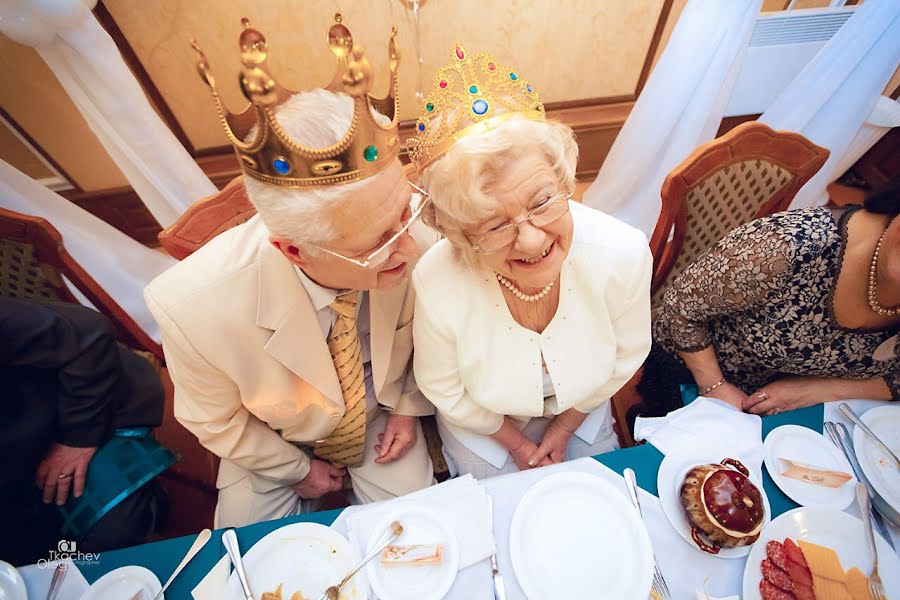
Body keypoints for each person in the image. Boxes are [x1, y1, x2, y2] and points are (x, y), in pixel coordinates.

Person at [145, 17, 434, 527]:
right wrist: (295, 469)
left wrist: (409, 406)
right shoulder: (190, 309)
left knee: (420, 540)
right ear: (294, 251)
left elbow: (429, 336)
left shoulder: (409, 228)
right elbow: (216, 421)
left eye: (404, 212)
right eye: (381, 241)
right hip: (273, 443)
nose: (409, 249)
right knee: (254, 567)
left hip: (381, 419)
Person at [406, 45, 653, 478]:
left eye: (542, 202)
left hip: (582, 411)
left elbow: (627, 355)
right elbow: (446, 390)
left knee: (600, 497)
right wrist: (518, 444)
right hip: (483, 429)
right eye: (494, 225)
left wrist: (564, 427)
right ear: (462, 234)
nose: (531, 239)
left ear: (564, 181)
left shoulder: (624, 253)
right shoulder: (436, 279)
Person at [635, 179, 900, 420]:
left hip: (802, 412)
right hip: (698, 379)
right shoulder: (785, 247)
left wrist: (825, 388)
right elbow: (680, 307)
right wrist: (714, 385)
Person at [0, 297, 168, 565]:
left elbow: (90, 333)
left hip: (75, 411)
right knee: (43, 567)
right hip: (13, 486)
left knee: (112, 538)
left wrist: (77, 437)